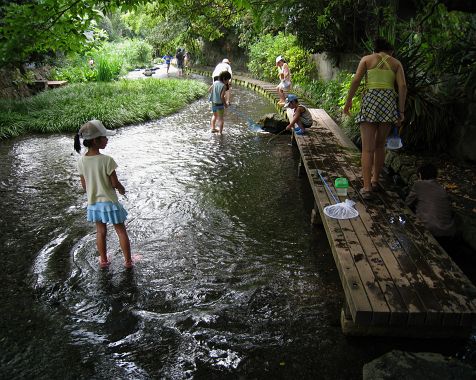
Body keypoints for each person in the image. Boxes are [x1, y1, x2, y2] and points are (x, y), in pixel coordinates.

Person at [343, 37, 407, 200]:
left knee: (367, 148)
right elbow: (402, 86)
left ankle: (366, 188)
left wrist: (349, 101)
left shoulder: (367, 59)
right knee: (380, 145)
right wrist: (401, 111)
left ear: (376, 50)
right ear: (390, 51)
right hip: (388, 105)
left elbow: (356, 79)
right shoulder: (396, 63)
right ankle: (375, 180)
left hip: (371, 102)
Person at [73, 120, 133, 269]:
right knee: (121, 231)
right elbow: (114, 183)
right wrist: (121, 189)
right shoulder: (107, 160)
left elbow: (84, 186)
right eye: (105, 137)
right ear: (95, 140)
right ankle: (128, 262)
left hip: (93, 204)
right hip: (110, 203)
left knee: (100, 232)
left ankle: (104, 261)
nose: (107, 139)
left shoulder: (81, 161)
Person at [405, 163, 456, 248]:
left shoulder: (418, 184)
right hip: (447, 231)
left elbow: (407, 202)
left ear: (420, 174)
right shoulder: (441, 189)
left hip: (429, 229)